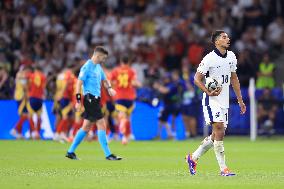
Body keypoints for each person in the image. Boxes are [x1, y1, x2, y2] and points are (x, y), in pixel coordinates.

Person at [186, 30, 246, 176]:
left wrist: (240, 100)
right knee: (219, 129)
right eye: (224, 37)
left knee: (216, 135)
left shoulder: (231, 56)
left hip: (224, 100)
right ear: (216, 41)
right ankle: (223, 169)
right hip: (211, 99)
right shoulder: (209, 58)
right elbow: (196, 79)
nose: (228, 39)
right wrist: (207, 91)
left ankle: (193, 157)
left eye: (228, 37)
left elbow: (234, 79)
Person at [65, 46, 122, 160]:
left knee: (86, 127)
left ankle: (70, 152)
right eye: (103, 58)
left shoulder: (98, 67)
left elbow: (105, 80)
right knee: (101, 124)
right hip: (89, 98)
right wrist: (78, 101)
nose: (104, 60)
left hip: (96, 99)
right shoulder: (86, 67)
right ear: (98, 56)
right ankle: (108, 154)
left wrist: (109, 88)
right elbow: (78, 84)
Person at [110, 55, 141, 145]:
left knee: (122, 118)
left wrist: (112, 87)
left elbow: (110, 82)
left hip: (119, 96)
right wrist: (138, 84)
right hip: (130, 97)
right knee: (128, 118)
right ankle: (127, 136)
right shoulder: (131, 71)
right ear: (129, 62)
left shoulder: (116, 71)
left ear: (121, 61)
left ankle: (124, 136)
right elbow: (134, 82)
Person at [10, 66, 32, 139]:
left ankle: (19, 134)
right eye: (28, 70)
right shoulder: (23, 75)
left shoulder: (18, 74)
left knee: (22, 115)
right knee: (26, 115)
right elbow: (25, 86)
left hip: (18, 95)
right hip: (22, 96)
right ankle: (15, 129)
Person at [26, 65, 46, 139]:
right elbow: (44, 87)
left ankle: (34, 132)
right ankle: (37, 133)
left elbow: (27, 85)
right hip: (40, 98)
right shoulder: (43, 77)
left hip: (32, 97)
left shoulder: (31, 75)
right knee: (39, 116)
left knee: (30, 116)